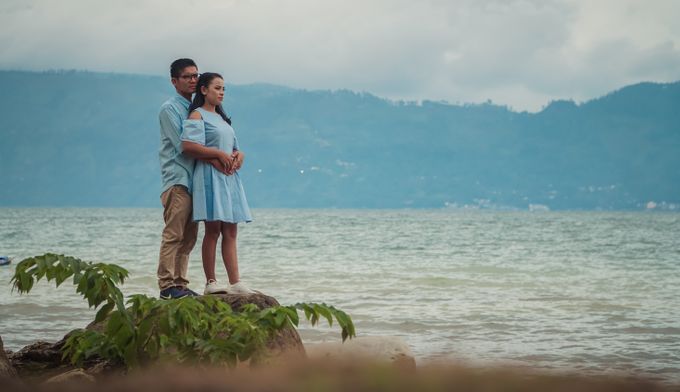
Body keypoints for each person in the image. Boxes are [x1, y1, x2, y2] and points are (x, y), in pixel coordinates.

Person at [157, 59, 233, 299]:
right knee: (174, 234)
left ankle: (180, 283)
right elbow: (184, 146)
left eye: (195, 76)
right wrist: (216, 157)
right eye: (187, 76)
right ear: (174, 81)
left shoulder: (195, 110)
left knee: (189, 238)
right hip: (177, 178)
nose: (192, 80)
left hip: (195, 181)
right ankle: (167, 286)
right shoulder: (170, 108)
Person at [181, 72, 255, 295]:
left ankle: (235, 282)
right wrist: (217, 156)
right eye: (217, 88)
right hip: (210, 176)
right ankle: (211, 282)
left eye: (223, 89)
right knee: (213, 229)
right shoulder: (197, 116)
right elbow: (189, 147)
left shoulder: (223, 119)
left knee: (231, 230)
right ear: (204, 90)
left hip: (229, 177)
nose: (221, 92)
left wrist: (239, 156)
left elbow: (234, 147)